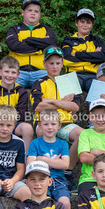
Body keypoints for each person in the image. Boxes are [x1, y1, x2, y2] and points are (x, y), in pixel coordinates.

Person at [31, 46, 83, 192]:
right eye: (51, 63)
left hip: (65, 123)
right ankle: (43, 169)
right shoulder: (39, 82)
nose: (55, 66)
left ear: (62, 64)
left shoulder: (69, 81)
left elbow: (75, 107)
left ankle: (67, 172)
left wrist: (52, 101)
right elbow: (37, 106)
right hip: (44, 122)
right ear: (44, 64)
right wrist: (62, 102)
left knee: (82, 134)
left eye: (58, 63)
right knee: (41, 131)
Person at [27, 109, 72, 209]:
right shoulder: (35, 143)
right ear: (39, 126)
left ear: (59, 125)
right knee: (40, 202)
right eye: (46, 124)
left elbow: (65, 165)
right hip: (39, 180)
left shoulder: (63, 144)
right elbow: (30, 164)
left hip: (58, 181)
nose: (50, 127)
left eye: (53, 124)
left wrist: (42, 159)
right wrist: (54, 162)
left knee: (65, 202)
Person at [0, 56, 34, 151]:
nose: (10, 75)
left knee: (28, 128)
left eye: (13, 72)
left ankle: (25, 156)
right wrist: (1, 123)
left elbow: (22, 115)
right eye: (6, 71)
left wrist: (9, 124)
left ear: (18, 74)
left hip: (14, 124)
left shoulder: (21, 92)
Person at [6, 0, 58, 88]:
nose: (33, 13)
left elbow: (52, 45)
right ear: (23, 12)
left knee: (56, 89)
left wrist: (27, 41)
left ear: (40, 14)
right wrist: (40, 48)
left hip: (41, 72)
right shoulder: (14, 29)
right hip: (17, 72)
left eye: (36, 11)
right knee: (7, 91)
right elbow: (13, 46)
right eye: (29, 10)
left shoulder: (47, 30)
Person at [62, 8, 105, 92]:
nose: (85, 25)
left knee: (101, 95)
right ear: (76, 23)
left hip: (93, 75)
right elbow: (66, 61)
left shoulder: (97, 40)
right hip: (72, 75)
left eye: (88, 22)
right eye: (82, 22)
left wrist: (77, 54)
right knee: (67, 95)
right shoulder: (68, 40)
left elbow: (102, 58)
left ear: (92, 25)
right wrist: (93, 57)